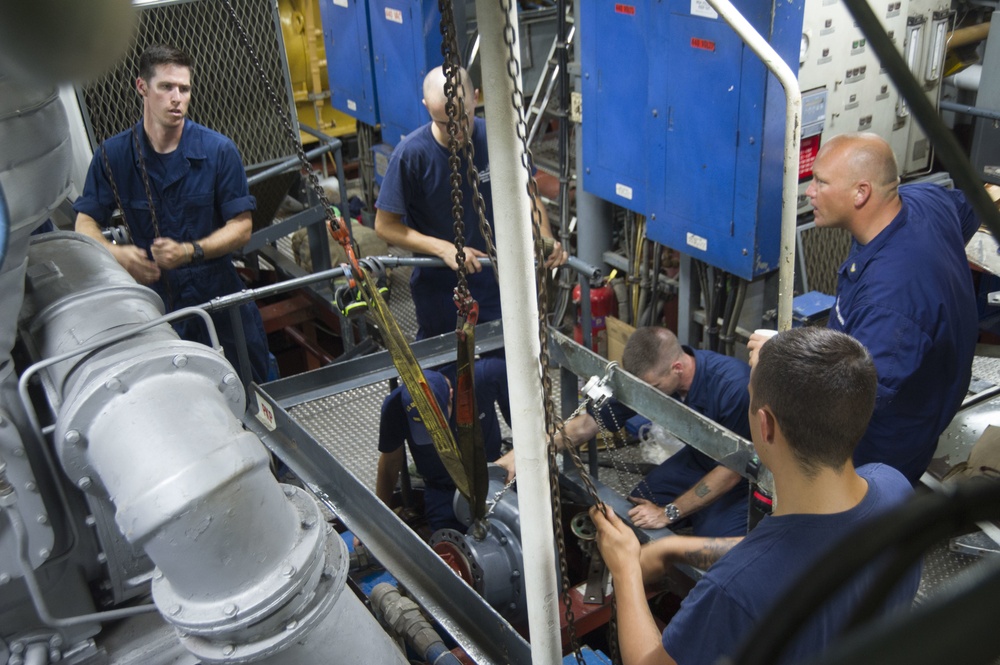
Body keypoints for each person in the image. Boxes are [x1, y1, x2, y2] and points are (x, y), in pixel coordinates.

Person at [591, 327, 920, 665]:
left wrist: (625, 569)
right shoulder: (896, 489)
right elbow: (803, 552)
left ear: (766, 425)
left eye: (750, 398)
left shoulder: (733, 592)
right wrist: (673, 547)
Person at [751, 133, 979, 484]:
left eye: (820, 182)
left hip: (879, 452)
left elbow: (851, 401)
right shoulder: (925, 201)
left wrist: (780, 357)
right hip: (924, 398)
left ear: (861, 193)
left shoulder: (889, 305)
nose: (809, 192)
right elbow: (970, 208)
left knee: (857, 523)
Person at [74, 44, 270, 383]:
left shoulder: (218, 151)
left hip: (221, 297)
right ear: (142, 88)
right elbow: (84, 223)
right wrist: (118, 254)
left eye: (184, 88)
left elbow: (241, 227)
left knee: (255, 386)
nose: (177, 97)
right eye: (166, 87)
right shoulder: (114, 156)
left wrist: (190, 251)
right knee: (180, 391)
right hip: (160, 304)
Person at [497, 326, 751, 537]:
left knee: (711, 544)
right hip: (700, 461)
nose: (648, 393)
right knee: (636, 507)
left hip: (742, 481)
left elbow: (731, 473)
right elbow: (587, 424)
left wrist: (668, 512)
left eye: (653, 386)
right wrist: (527, 452)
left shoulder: (734, 388)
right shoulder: (652, 381)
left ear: (678, 368)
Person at [374, 65, 567, 340]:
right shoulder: (410, 157)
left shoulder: (501, 139)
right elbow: (385, 226)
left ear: (476, 97)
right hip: (440, 289)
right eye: (443, 122)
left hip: (499, 280)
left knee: (503, 368)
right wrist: (443, 249)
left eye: (463, 118)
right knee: (449, 372)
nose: (455, 131)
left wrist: (544, 237)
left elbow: (529, 194)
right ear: (426, 107)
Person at [377, 357, 510, 532]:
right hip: (441, 491)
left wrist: (514, 456)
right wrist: (377, 520)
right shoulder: (395, 406)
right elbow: (390, 462)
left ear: (451, 395)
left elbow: (542, 430)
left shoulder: (485, 377)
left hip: (492, 480)